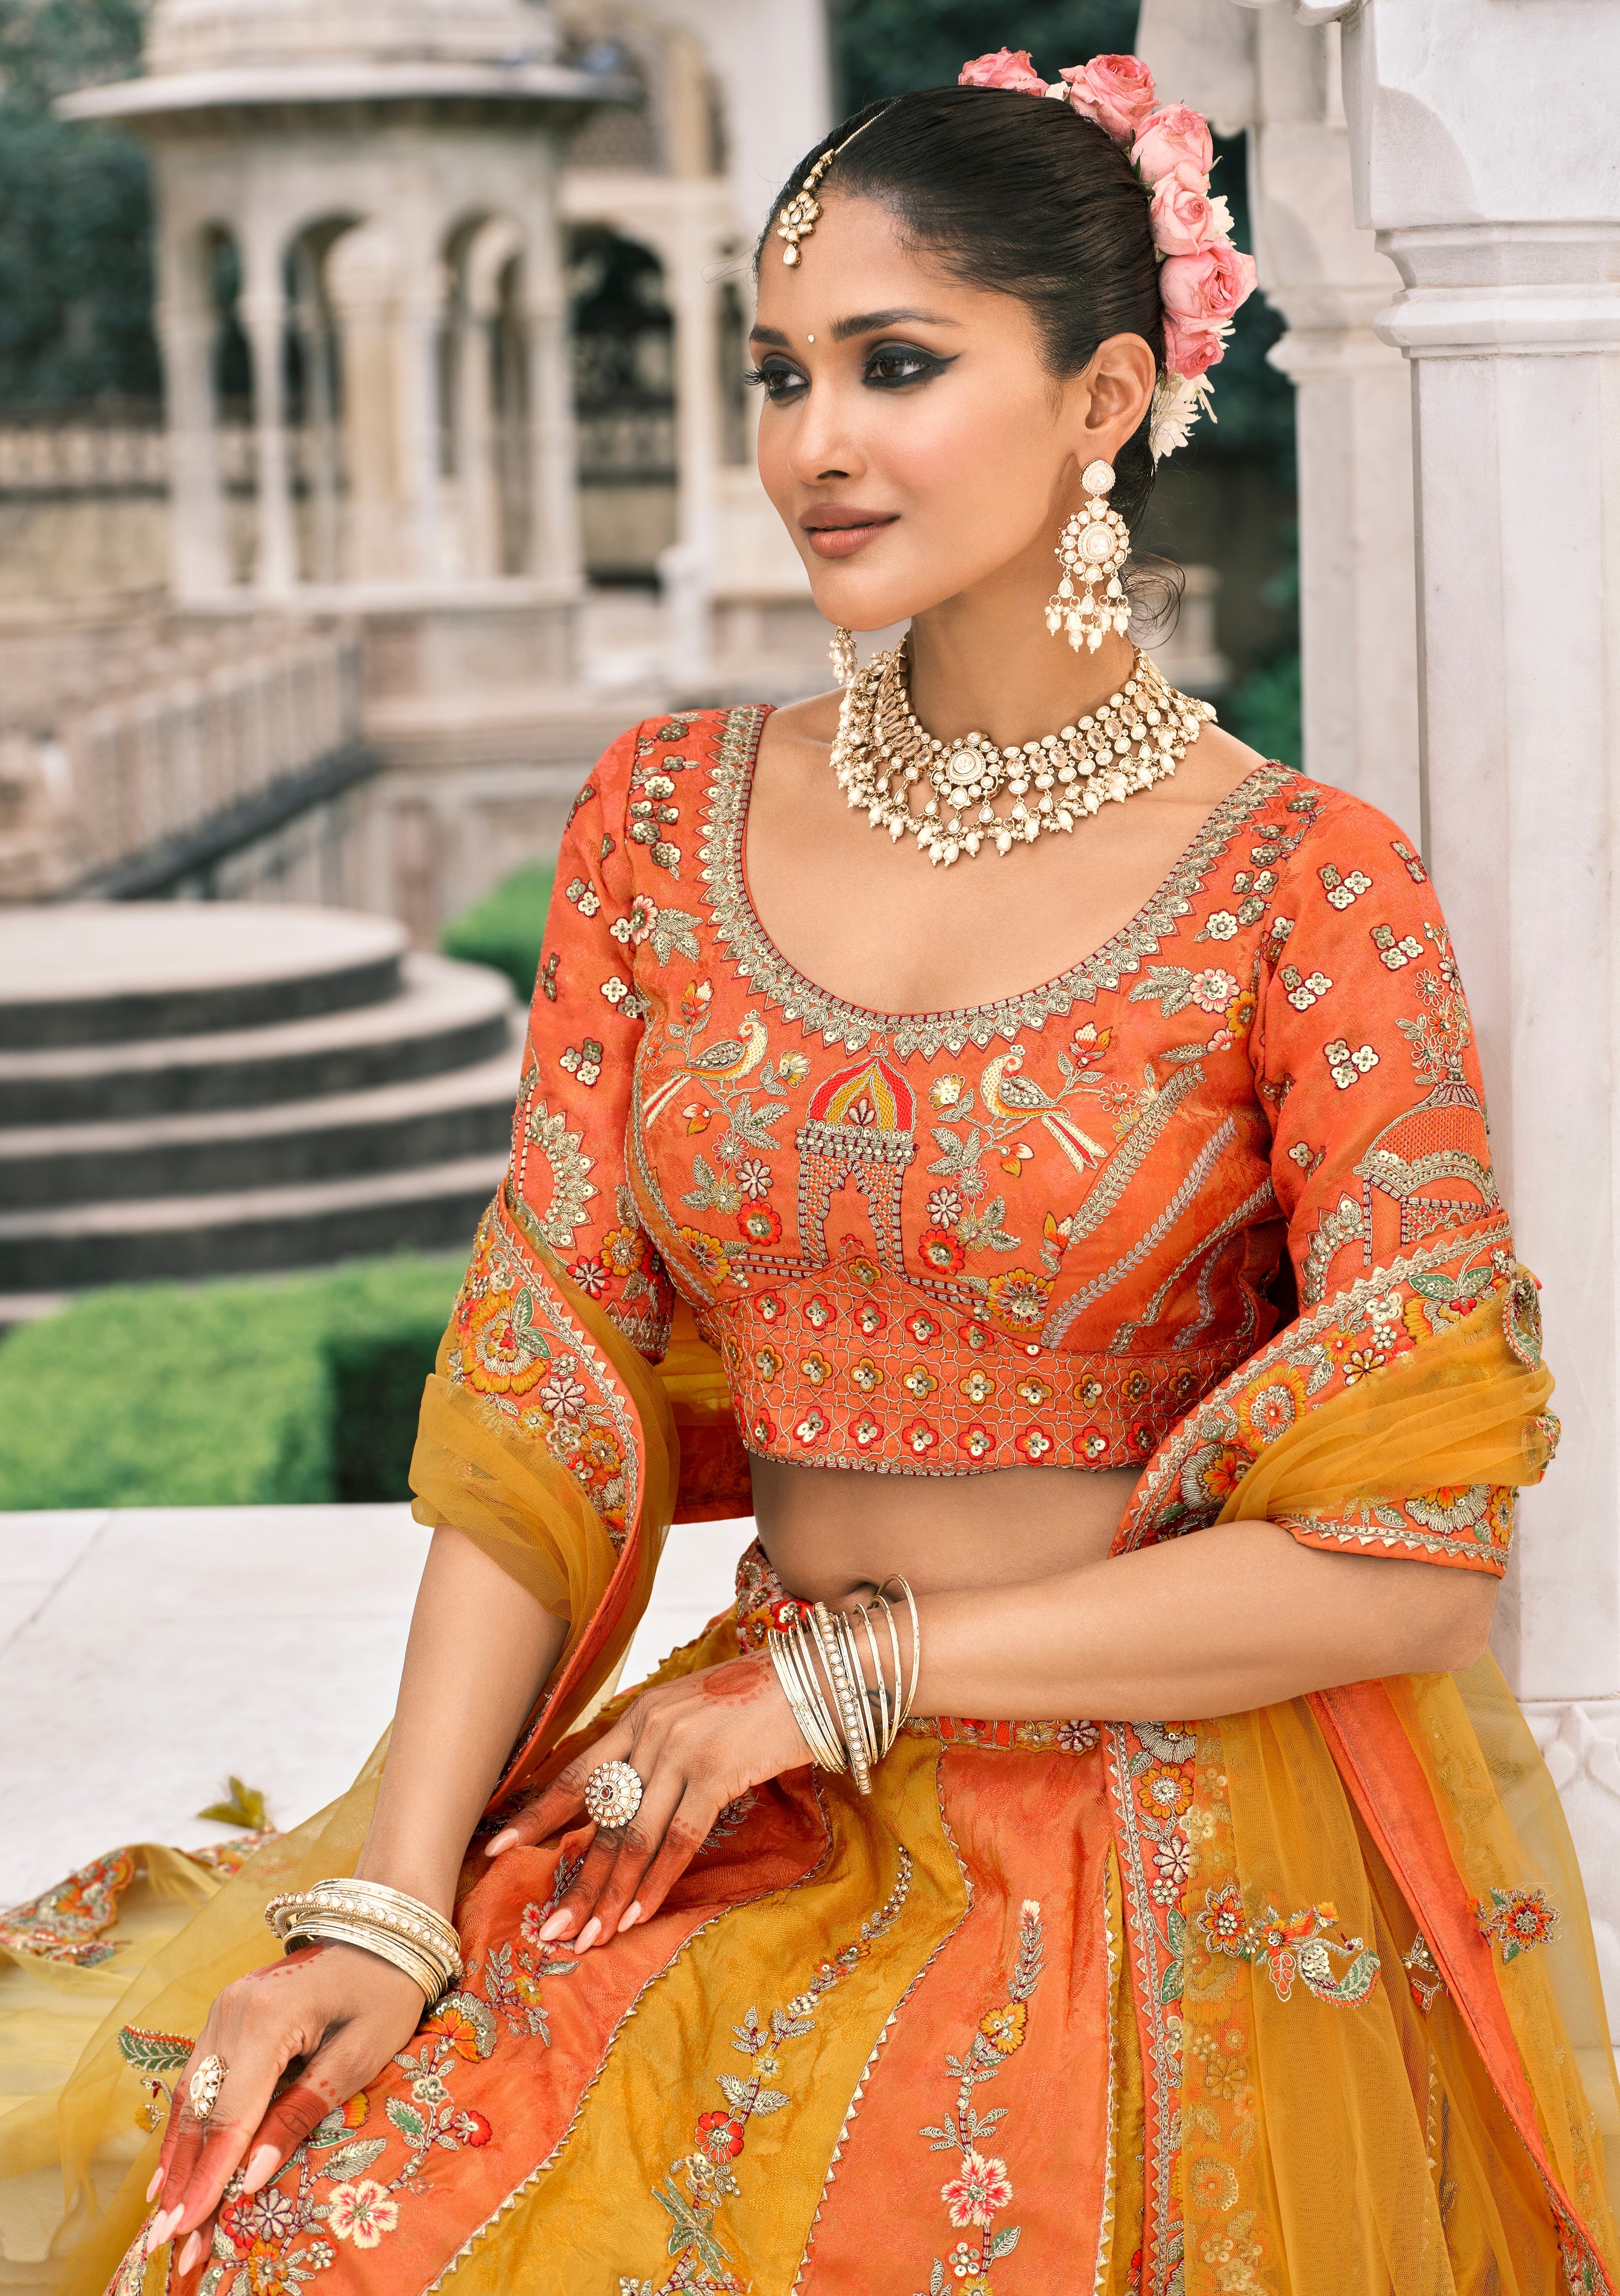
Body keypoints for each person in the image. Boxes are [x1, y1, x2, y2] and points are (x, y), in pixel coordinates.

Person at [4, 49, 1616, 2296]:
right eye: (781, 373)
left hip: (1143, 1844)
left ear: (1105, 396)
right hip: (735, 1786)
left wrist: (859, 1671)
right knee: (274, 2212)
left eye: (897, 364)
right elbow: (538, 1414)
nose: (813, 444)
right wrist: (387, 1901)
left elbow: (1414, 1556)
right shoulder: (661, 821)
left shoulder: (1302, 886)